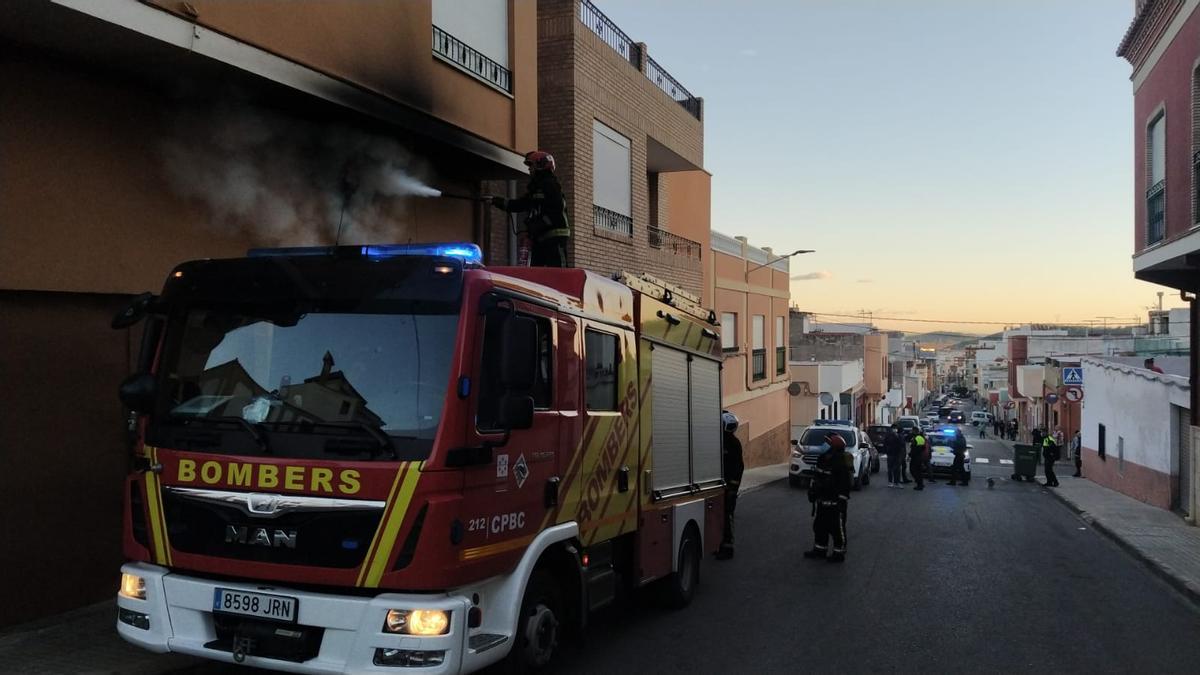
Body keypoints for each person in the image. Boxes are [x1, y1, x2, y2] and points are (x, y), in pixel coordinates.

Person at [491, 151, 571, 268]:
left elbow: (556, 211)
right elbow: (522, 204)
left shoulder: (551, 185)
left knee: (558, 271)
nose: (529, 169)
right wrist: (497, 201)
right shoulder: (536, 187)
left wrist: (538, 224)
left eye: (531, 165)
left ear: (540, 165)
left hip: (555, 237)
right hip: (541, 237)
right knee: (536, 271)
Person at [803, 433, 852, 562]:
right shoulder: (823, 459)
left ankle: (838, 553)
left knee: (837, 528)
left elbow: (845, 484)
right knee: (819, 527)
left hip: (835, 503)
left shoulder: (841, 462)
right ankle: (820, 550)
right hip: (822, 500)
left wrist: (841, 500)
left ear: (834, 447)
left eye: (828, 443)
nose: (824, 445)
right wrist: (813, 492)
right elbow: (817, 477)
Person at [717, 411, 744, 560]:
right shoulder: (719, 441)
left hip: (729, 489)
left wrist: (733, 488)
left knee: (727, 517)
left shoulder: (733, 443)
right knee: (718, 517)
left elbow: (738, 467)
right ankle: (719, 544)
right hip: (719, 487)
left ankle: (728, 547)